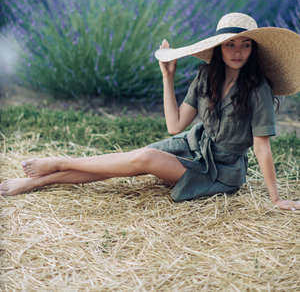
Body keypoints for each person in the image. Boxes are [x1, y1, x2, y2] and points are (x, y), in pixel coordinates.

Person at [1, 13, 300, 212]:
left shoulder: (258, 88)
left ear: (253, 50)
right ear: (219, 48)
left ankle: (58, 163)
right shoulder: (206, 76)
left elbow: (262, 147)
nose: (238, 51)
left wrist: (276, 199)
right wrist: (167, 77)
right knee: (125, 162)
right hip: (191, 145)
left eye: (245, 45)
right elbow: (175, 125)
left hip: (221, 171)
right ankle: (38, 181)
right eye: (230, 44)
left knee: (141, 158)